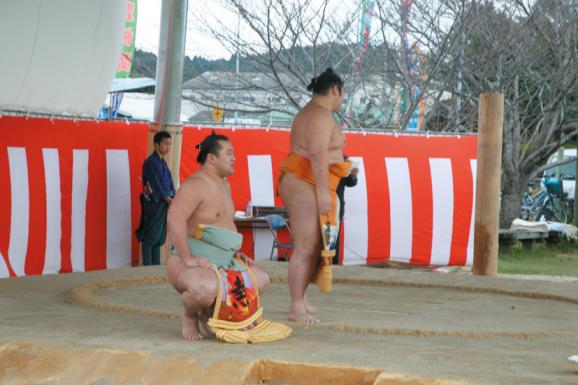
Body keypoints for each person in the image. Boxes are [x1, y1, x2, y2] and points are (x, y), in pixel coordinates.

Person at [166, 132, 270, 341]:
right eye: (229, 153)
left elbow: (221, 224)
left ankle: (210, 313)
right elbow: (175, 218)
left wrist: (234, 253)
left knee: (261, 280)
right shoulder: (195, 185)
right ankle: (190, 314)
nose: (234, 158)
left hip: (224, 260)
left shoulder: (224, 185)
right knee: (204, 289)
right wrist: (188, 258)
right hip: (192, 261)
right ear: (211, 158)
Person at [278, 68, 351, 324]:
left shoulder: (312, 113)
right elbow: (318, 154)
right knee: (305, 246)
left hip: (311, 182)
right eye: (342, 94)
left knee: (313, 246)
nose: (342, 99)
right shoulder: (320, 116)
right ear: (335, 90)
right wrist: (322, 191)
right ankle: (296, 305)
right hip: (306, 182)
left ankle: (302, 299)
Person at [135, 131, 175, 266]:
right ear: (157, 144)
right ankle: (147, 271)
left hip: (163, 204)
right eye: (165, 144)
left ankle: (155, 269)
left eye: (170, 144)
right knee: (150, 238)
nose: (168, 147)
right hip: (154, 204)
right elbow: (154, 184)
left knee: (158, 239)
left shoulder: (163, 163)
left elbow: (170, 184)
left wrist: (173, 197)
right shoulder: (150, 162)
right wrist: (168, 198)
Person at [333, 161, 359, 265]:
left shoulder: (343, 161)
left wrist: (353, 175)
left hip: (337, 207)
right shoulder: (320, 158)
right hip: (321, 205)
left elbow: (350, 182)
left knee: (335, 236)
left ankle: (334, 263)